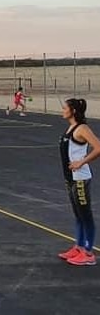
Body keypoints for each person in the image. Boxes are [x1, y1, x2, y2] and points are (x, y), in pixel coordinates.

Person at [57, 98, 100, 266]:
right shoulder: (71, 128)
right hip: (70, 178)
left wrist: (81, 162)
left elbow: (98, 147)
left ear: (73, 111)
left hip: (80, 178)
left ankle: (88, 253)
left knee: (85, 215)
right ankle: (79, 246)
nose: (62, 109)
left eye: (65, 107)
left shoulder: (82, 129)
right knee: (78, 215)